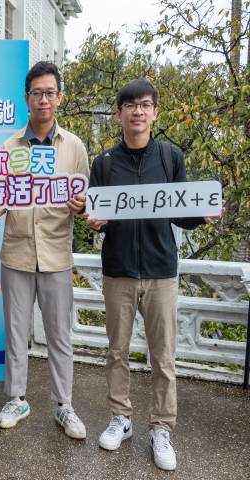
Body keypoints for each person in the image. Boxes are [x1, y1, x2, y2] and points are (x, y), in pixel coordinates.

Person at [84, 79, 224, 471]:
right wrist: (94, 222)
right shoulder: (104, 163)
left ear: (155, 112)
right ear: (119, 114)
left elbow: (180, 211)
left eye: (145, 105)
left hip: (162, 271)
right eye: (130, 105)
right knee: (116, 351)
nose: (138, 111)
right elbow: (97, 214)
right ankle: (121, 418)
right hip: (118, 271)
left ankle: (161, 429)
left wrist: (201, 215)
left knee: (163, 355)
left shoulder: (169, 156)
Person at [0, 61, 90, 439]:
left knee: (60, 335)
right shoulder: (8, 148)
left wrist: (82, 206)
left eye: (50, 93)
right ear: (26, 98)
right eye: (36, 93)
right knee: (16, 333)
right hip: (16, 255)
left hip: (57, 256)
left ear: (59, 98)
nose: (43, 100)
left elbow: (85, 200)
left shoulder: (74, 147)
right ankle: (16, 399)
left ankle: (65, 405)